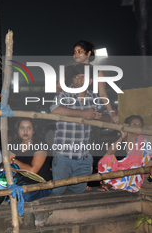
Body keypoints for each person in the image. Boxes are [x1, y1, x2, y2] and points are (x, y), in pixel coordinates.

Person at [50, 63, 111, 195]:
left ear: (90, 81)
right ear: (72, 79)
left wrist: (99, 116)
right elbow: (55, 110)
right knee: (58, 190)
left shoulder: (94, 98)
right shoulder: (64, 95)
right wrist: (82, 113)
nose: (79, 80)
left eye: (83, 77)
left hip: (83, 155)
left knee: (78, 189)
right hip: (63, 153)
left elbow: (108, 118)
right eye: (76, 77)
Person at [57, 40, 119, 124]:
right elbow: (58, 87)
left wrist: (111, 113)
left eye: (80, 51)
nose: (76, 54)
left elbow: (103, 93)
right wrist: (63, 96)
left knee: (91, 134)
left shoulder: (98, 72)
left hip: (91, 112)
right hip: (71, 110)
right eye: (74, 52)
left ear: (88, 53)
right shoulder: (68, 69)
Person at [98, 115, 152, 192]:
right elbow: (109, 152)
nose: (137, 127)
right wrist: (122, 136)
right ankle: (106, 183)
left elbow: (148, 156)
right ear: (127, 126)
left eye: (140, 125)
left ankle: (109, 184)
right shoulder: (120, 139)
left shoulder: (142, 141)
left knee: (135, 166)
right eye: (134, 124)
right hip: (117, 170)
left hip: (132, 174)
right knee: (107, 157)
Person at [8, 118, 52, 201]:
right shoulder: (14, 145)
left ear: (34, 131)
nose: (25, 131)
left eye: (29, 128)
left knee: (25, 195)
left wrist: (14, 161)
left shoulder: (41, 145)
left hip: (40, 182)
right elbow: (7, 165)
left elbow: (32, 171)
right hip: (21, 181)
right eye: (22, 128)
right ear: (17, 131)